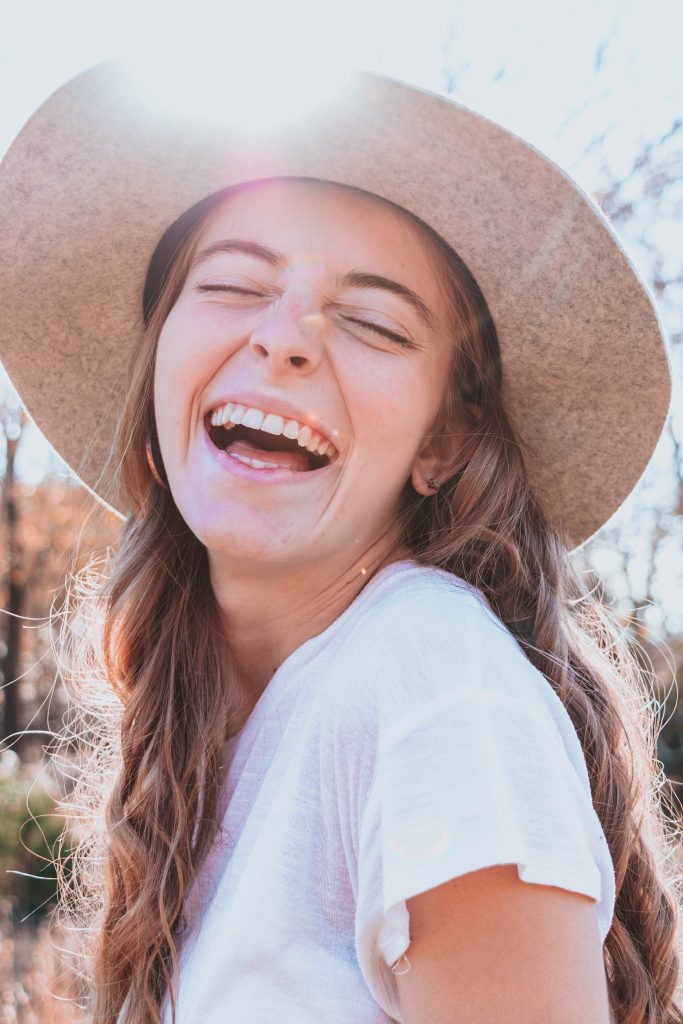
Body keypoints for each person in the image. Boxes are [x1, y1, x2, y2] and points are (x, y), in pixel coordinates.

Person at [0, 58, 678, 1024]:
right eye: (232, 284)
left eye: (371, 321)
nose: (285, 337)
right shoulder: (233, 717)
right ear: (159, 369)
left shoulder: (435, 691)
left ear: (443, 444)